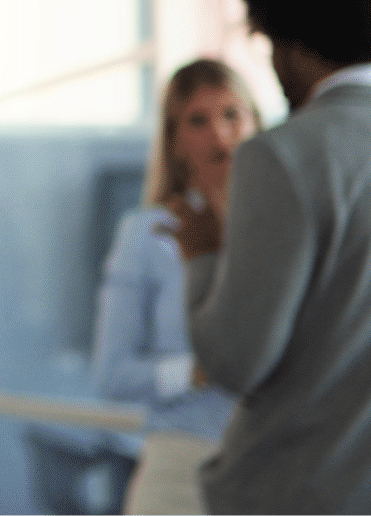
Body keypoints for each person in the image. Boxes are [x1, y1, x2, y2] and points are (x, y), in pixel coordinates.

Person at [171, 0, 371, 516]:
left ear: (287, 45)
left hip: (296, 491)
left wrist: (205, 255)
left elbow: (236, 361)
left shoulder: (282, 155)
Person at [92, 58, 253, 516]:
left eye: (231, 114)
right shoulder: (147, 235)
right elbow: (112, 374)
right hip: (182, 470)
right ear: (175, 141)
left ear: (255, 123)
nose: (220, 135)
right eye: (198, 121)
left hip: (273, 471)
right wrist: (195, 372)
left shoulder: (283, 231)